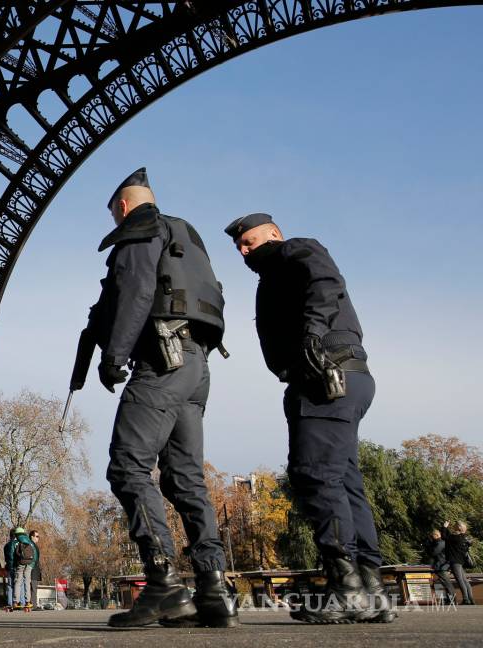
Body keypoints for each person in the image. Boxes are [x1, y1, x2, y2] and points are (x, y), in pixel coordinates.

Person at [81, 168, 236, 628]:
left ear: (123, 207)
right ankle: (213, 590)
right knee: (185, 478)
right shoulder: (184, 233)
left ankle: (164, 582)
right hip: (197, 365)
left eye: (113, 213)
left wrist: (114, 356)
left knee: (127, 466)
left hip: (162, 361)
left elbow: (135, 291)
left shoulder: (139, 228)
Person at [225, 212, 395, 624]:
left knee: (314, 475)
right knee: (344, 478)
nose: (246, 251)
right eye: (241, 248)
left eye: (251, 241)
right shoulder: (275, 275)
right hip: (346, 375)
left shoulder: (295, 249)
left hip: (325, 376)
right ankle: (370, 588)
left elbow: (325, 283)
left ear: (274, 234)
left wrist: (312, 338)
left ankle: (347, 587)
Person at [443, 521, 476, 605]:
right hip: (461, 561)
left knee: (460, 580)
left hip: (455, 561)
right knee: (465, 580)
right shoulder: (463, 537)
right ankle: (471, 599)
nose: (453, 527)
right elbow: (448, 536)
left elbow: (445, 537)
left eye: (454, 526)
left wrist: (444, 527)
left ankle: (466, 599)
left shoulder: (455, 537)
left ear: (458, 527)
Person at [426, 529, 457, 605]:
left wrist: (428, 545)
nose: (431, 538)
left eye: (432, 536)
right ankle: (450, 599)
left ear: (436, 535)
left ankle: (452, 600)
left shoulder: (440, 543)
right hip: (442, 566)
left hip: (442, 566)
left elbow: (433, 553)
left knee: (447, 584)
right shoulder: (440, 542)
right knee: (446, 584)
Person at [12, 527, 37, 612]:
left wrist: (15, 564)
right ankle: (27, 602)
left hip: (20, 564)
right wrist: (32, 564)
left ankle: (16, 601)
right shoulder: (30, 542)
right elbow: (35, 553)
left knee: (18, 582)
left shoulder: (16, 542)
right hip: (29, 563)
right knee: (27, 582)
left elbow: (14, 554)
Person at [2, 528, 18, 611]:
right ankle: (18, 602)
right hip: (16, 566)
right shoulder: (18, 544)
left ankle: (9, 603)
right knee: (18, 585)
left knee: (10, 586)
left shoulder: (6, 545)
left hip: (8, 566)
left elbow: (6, 558)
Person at [28, 530, 42, 610]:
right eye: (37, 536)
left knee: (32, 587)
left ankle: (32, 604)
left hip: (33, 568)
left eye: (38, 536)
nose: (38, 538)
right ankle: (33, 605)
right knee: (33, 587)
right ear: (32, 537)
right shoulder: (31, 545)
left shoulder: (33, 545)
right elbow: (35, 559)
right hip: (33, 569)